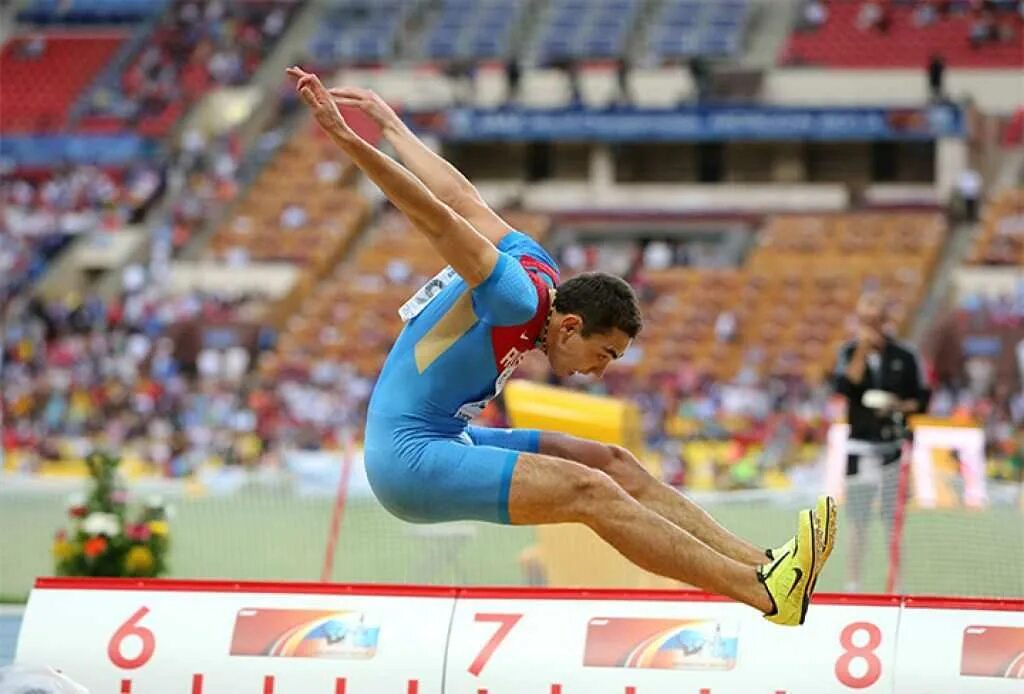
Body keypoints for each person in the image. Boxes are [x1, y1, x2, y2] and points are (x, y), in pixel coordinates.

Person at [286, 67, 837, 626]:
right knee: (588, 490)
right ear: (570, 327)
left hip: (449, 433)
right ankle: (764, 594)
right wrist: (351, 140)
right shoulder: (517, 298)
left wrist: (391, 125)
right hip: (408, 460)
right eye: (604, 355)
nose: (598, 372)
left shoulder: (537, 264)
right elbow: (437, 216)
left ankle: (768, 564)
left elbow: (460, 195)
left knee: (610, 462)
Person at [832, 292, 928, 591]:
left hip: (894, 447)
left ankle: (895, 584)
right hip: (860, 447)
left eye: (875, 320)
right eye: (866, 321)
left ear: (886, 321)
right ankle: (853, 583)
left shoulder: (905, 356)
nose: (871, 326)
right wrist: (862, 347)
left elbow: (921, 399)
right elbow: (845, 386)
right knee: (857, 519)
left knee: (893, 519)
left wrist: (895, 406)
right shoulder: (849, 352)